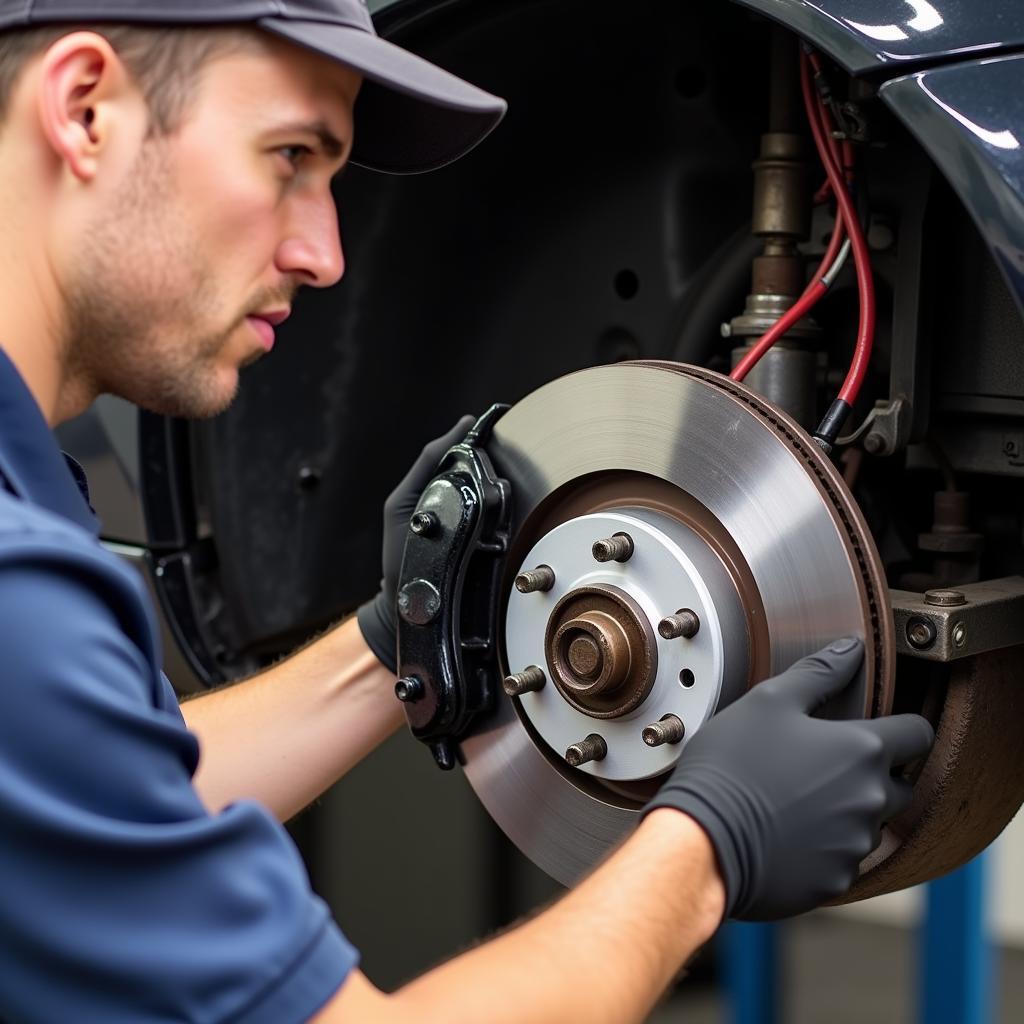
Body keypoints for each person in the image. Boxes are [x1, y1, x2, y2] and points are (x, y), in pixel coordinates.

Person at [0, 1, 934, 1021]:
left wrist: (395, 644)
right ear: (85, 108)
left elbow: (110, 803)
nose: (325, 253)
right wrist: (710, 842)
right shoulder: (20, 599)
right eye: (291, 156)